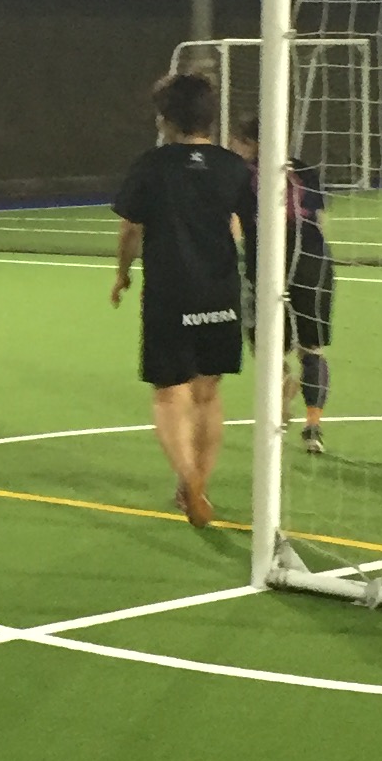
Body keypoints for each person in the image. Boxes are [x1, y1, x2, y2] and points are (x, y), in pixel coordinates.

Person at [109, 70, 255, 528]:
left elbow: (130, 230)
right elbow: (248, 230)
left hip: (170, 291)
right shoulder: (233, 167)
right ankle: (199, 485)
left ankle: (188, 479)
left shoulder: (151, 166)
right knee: (207, 393)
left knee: (170, 394)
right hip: (221, 291)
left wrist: (122, 275)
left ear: (165, 119)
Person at [229, 112, 335, 456]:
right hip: (314, 262)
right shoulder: (303, 169)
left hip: (267, 264)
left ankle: (283, 387)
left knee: (264, 344)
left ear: (250, 143)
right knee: (312, 348)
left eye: (237, 141)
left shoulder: (242, 174)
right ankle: (313, 427)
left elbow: (235, 223)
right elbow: (320, 219)